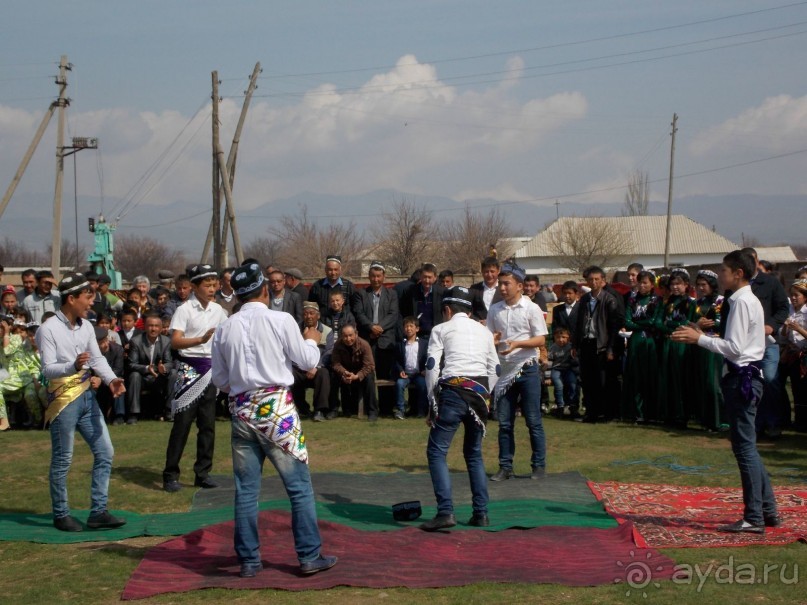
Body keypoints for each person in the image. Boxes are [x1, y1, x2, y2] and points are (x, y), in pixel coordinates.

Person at [210, 261, 337, 577]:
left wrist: (242, 387)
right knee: (298, 487)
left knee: (246, 490)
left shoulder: (225, 327)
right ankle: (308, 555)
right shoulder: (281, 320)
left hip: (242, 410)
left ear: (238, 295)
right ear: (264, 289)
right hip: (277, 411)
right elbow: (308, 361)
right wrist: (311, 338)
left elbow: (220, 379)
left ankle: (249, 561)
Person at [672, 250, 779, 533]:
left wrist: (701, 339)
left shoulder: (742, 302)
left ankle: (754, 516)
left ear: (738, 273)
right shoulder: (744, 300)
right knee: (747, 447)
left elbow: (735, 348)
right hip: (744, 376)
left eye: (723, 271)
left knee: (744, 449)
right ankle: (767, 510)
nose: (720, 275)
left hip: (742, 379)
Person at [35, 272, 127, 532]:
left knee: (105, 451)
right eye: (88, 297)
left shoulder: (87, 326)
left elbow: (96, 359)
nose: (91, 302)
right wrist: (72, 366)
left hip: (87, 396)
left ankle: (98, 511)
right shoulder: (48, 329)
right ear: (71, 298)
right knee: (63, 458)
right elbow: (48, 369)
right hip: (63, 399)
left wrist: (111, 380)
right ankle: (61, 513)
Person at [420, 286, 499, 531]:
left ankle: (445, 511)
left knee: (437, 452)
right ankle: (481, 513)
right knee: (473, 454)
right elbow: (495, 368)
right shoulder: (484, 331)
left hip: (453, 392)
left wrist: (432, 402)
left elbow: (432, 366)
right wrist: (484, 393)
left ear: (447, 310)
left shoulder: (441, 329)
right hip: (479, 396)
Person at [162, 264, 228, 493]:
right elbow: (175, 341)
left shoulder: (219, 310)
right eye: (207, 286)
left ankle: (203, 473)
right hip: (189, 369)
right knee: (182, 425)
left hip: (210, 370)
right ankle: (170, 474)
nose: (212, 289)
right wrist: (199, 340)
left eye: (214, 285)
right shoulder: (184, 309)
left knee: (208, 425)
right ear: (195, 287)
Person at [486, 262, 548, 481]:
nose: (502, 288)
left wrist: (518, 344)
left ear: (520, 286)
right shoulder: (495, 309)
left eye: (506, 284)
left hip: (527, 369)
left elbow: (541, 339)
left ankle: (538, 466)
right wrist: (492, 340)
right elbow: (490, 337)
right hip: (505, 370)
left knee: (533, 420)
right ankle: (505, 466)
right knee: (504, 422)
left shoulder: (531, 308)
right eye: (500, 284)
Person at [573, 266, 624, 423]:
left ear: (603, 281)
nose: (593, 282)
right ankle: (591, 412)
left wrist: (610, 348)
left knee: (603, 381)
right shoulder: (585, 299)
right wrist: (575, 344)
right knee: (587, 380)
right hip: (587, 342)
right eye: (590, 280)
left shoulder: (609, 299)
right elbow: (578, 323)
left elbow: (614, 326)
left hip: (601, 344)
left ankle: (605, 413)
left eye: (597, 279)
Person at [352, 261, 399, 411]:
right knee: (368, 375)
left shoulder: (392, 294)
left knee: (385, 374)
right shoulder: (361, 294)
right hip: (367, 340)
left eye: (379, 276)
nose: (376, 279)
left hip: (386, 341)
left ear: (384, 276)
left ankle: (386, 407)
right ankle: (369, 407)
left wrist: (380, 328)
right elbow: (359, 314)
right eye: (373, 276)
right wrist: (371, 327)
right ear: (369, 276)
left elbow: (393, 315)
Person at [655, 268, 693, 427]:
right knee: (667, 378)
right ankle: (668, 413)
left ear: (686, 285)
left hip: (683, 344)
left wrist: (670, 325)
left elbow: (689, 323)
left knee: (680, 379)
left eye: (679, 284)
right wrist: (671, 327)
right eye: (672, 284)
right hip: (668, 343)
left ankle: (682, 415)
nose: (675, 287)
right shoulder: (667, 302)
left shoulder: (691, 303)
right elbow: (658, 322)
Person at [620, 270, 660, 423]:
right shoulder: (632, 300)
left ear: (652, 284)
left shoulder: (656, 300)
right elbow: (627, 321)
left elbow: (654, 321)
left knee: (649, 376)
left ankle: (651, 413)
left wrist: (638, 324)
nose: (642, 286)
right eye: (640, 282)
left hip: (650, 342)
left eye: (645, 283)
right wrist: (641, 325)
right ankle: (637, 412)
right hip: (635, 341)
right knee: (635, 376)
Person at [125, 312, 177, 424]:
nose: (153, 329)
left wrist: (163, 368)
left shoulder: (166, 341)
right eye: (150, 326)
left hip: (159, 376)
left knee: (173, 373)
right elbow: (131, 364)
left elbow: (169, 362)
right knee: (134, 375)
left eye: (156, 326)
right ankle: (133, 414)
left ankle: (169, 411)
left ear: (161, 328)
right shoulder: (136, 341)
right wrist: (148, 368)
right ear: (145, 327)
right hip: (143, 377)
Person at [691, 269, 726, 431]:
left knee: (714, 384)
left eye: (703, 285)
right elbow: (691, 322)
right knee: (702, 382)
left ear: (712, 285)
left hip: (716, 345)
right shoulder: (697, 303)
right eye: (698, 285)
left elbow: (722, 323)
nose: (700, 288)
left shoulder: (722, 302)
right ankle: (704, 419)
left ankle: (719, 420)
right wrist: (698, 325)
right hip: (700, 344)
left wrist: (707, 323)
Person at [291, 302, 334, 421]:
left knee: (324, 373)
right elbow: (292, 351)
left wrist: (316, 367)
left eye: (311, 313)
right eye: (305, 314)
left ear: (318, 316)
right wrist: (301, 366)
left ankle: (319, 410)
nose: (308, 316)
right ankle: (302, 408)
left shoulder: (327, 331)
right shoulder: (295, 330)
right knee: (290, 374)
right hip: (299, 368)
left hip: (317, 369)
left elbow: (328, 353)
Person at [330, 324, 378, 420]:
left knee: (369, 378)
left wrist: (357, 376)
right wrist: (344, 373)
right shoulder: (337, 345)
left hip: (361, 372)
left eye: (350, 335)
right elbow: (335, 363)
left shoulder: (364, 345)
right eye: (345, 336)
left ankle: (372, 411)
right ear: (341, 336)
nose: (348, 339)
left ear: (356, 334)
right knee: (332, 376)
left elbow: (370, 365)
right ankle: (333, 409)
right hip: (345, 372)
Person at [779, 279, 807, 431]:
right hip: (791, 354)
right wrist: (785, 328)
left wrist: (797, 328)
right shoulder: (789, 310)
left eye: (797, 295)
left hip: (804, 355)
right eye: (792, 295)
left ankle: (803, 421)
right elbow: (783, 336)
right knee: (795, 389)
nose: (794, 298)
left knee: (803, 390)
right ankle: (793, 420)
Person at [393, 316, 428, 419]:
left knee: (423, 385)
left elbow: (428, 358)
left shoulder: (424, 344)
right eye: (406, 326)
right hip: (406, 374)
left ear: (417, 329)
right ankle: (401, 410)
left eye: (411, 326)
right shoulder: (400, 345)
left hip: (418, 374)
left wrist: (425, 370)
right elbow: (397, 361)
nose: (408, 329)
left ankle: (421, 410)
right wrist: (400, 371)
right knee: (399, 384)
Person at [399, 263, 445, 339]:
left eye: (429, 277)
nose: (427, 280)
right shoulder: (410, 291)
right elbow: (403, 312)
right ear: (420, 276)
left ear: (435, 278)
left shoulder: (441, 293)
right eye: (424, 277)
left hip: (435, 335)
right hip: (416, 335)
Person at [547, 327, 578, 418]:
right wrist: (548, 377)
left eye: (563, 337)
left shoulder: (571, 347)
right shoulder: (552, 348)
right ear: (554, 338)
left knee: (573, 384)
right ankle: (560, 406)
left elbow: (576, 361)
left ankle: (571, 405)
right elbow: (549, 363)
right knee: (559, 385)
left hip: (568, 369)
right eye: (558, 337)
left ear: (568, 338)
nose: (561, 339)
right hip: (556, 369)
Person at [469, 256, 503, 322]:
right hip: (478, 328)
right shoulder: (474, 289)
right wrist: (478, 321)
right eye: (486, 271)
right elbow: (468, 310)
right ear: (482, 271)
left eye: (492, 271)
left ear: (498, 271)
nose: (489, 275)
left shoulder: (503, 289)